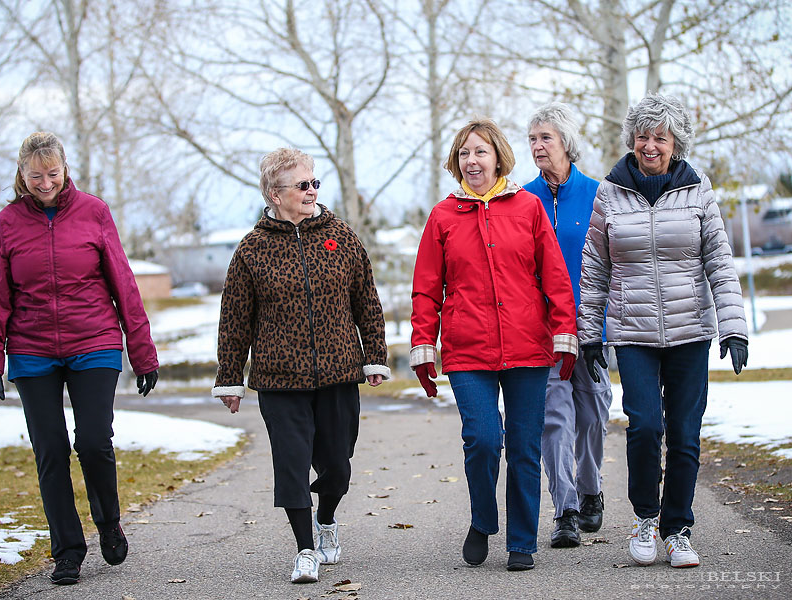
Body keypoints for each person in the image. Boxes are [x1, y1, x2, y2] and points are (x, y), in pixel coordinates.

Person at [0, 132, 159, 585]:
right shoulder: (7, 223)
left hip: (93, 341)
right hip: (32, 349)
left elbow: (123, 283)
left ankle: (109, 521)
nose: (45, 183)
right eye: (35, 176)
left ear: (65, 169)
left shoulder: (94, 212)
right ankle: (68, 551)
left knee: (94, 441)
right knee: (51, 451)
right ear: (22, 174)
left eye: (52, 174)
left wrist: (142, 353)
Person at [578, 93, 748, 569]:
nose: (650, 146)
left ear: (675, 143)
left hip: (691, 330)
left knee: (685, 433)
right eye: (643, 136)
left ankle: (678, 529)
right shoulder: (610, 191)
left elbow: (719, 259)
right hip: (632, 333)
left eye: (660, 137)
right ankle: (646, 519)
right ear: (631, 139)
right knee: (645, 426)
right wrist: (591, 333)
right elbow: (595, 269)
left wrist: (733, 327)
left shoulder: (698, 189)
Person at [212, 147, 389, 584]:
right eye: (302, 185)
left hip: (338, 371)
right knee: (290, 463)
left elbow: (366, 300)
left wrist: (375, 357)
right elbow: (235, 318)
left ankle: (326, 517)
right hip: (278, 377)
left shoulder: (340, 236)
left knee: (337, 463)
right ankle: (304, 548)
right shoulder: (252, 249)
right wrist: (230, 379)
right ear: (275, 193)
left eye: (315, 183)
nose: (312, 191)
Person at [410, 118, 578, 571]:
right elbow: (426, 288)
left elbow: (556, 277)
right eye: (465, 153)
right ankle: (483, 520)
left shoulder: (527, 208)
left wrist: (566, 331)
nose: (472, 160)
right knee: (483, 439)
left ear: (498, 156)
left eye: (480, 151)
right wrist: (423, 343)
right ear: (456, 162)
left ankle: (522, 541)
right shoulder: (443, 216)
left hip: (527, 346)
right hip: (468, 351)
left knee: (524, 445)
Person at [524, 102, 614, 548]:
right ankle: (565, 510)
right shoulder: (521, 199)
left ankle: (590, 486)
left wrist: (604, 322)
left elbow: (613, 263)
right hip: (541, 331)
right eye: (533, 139)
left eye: (546, 138)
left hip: (590, 326)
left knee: (594, 411)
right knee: (553, 417)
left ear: (566, 143)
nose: (538, 146)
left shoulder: (600, 194)